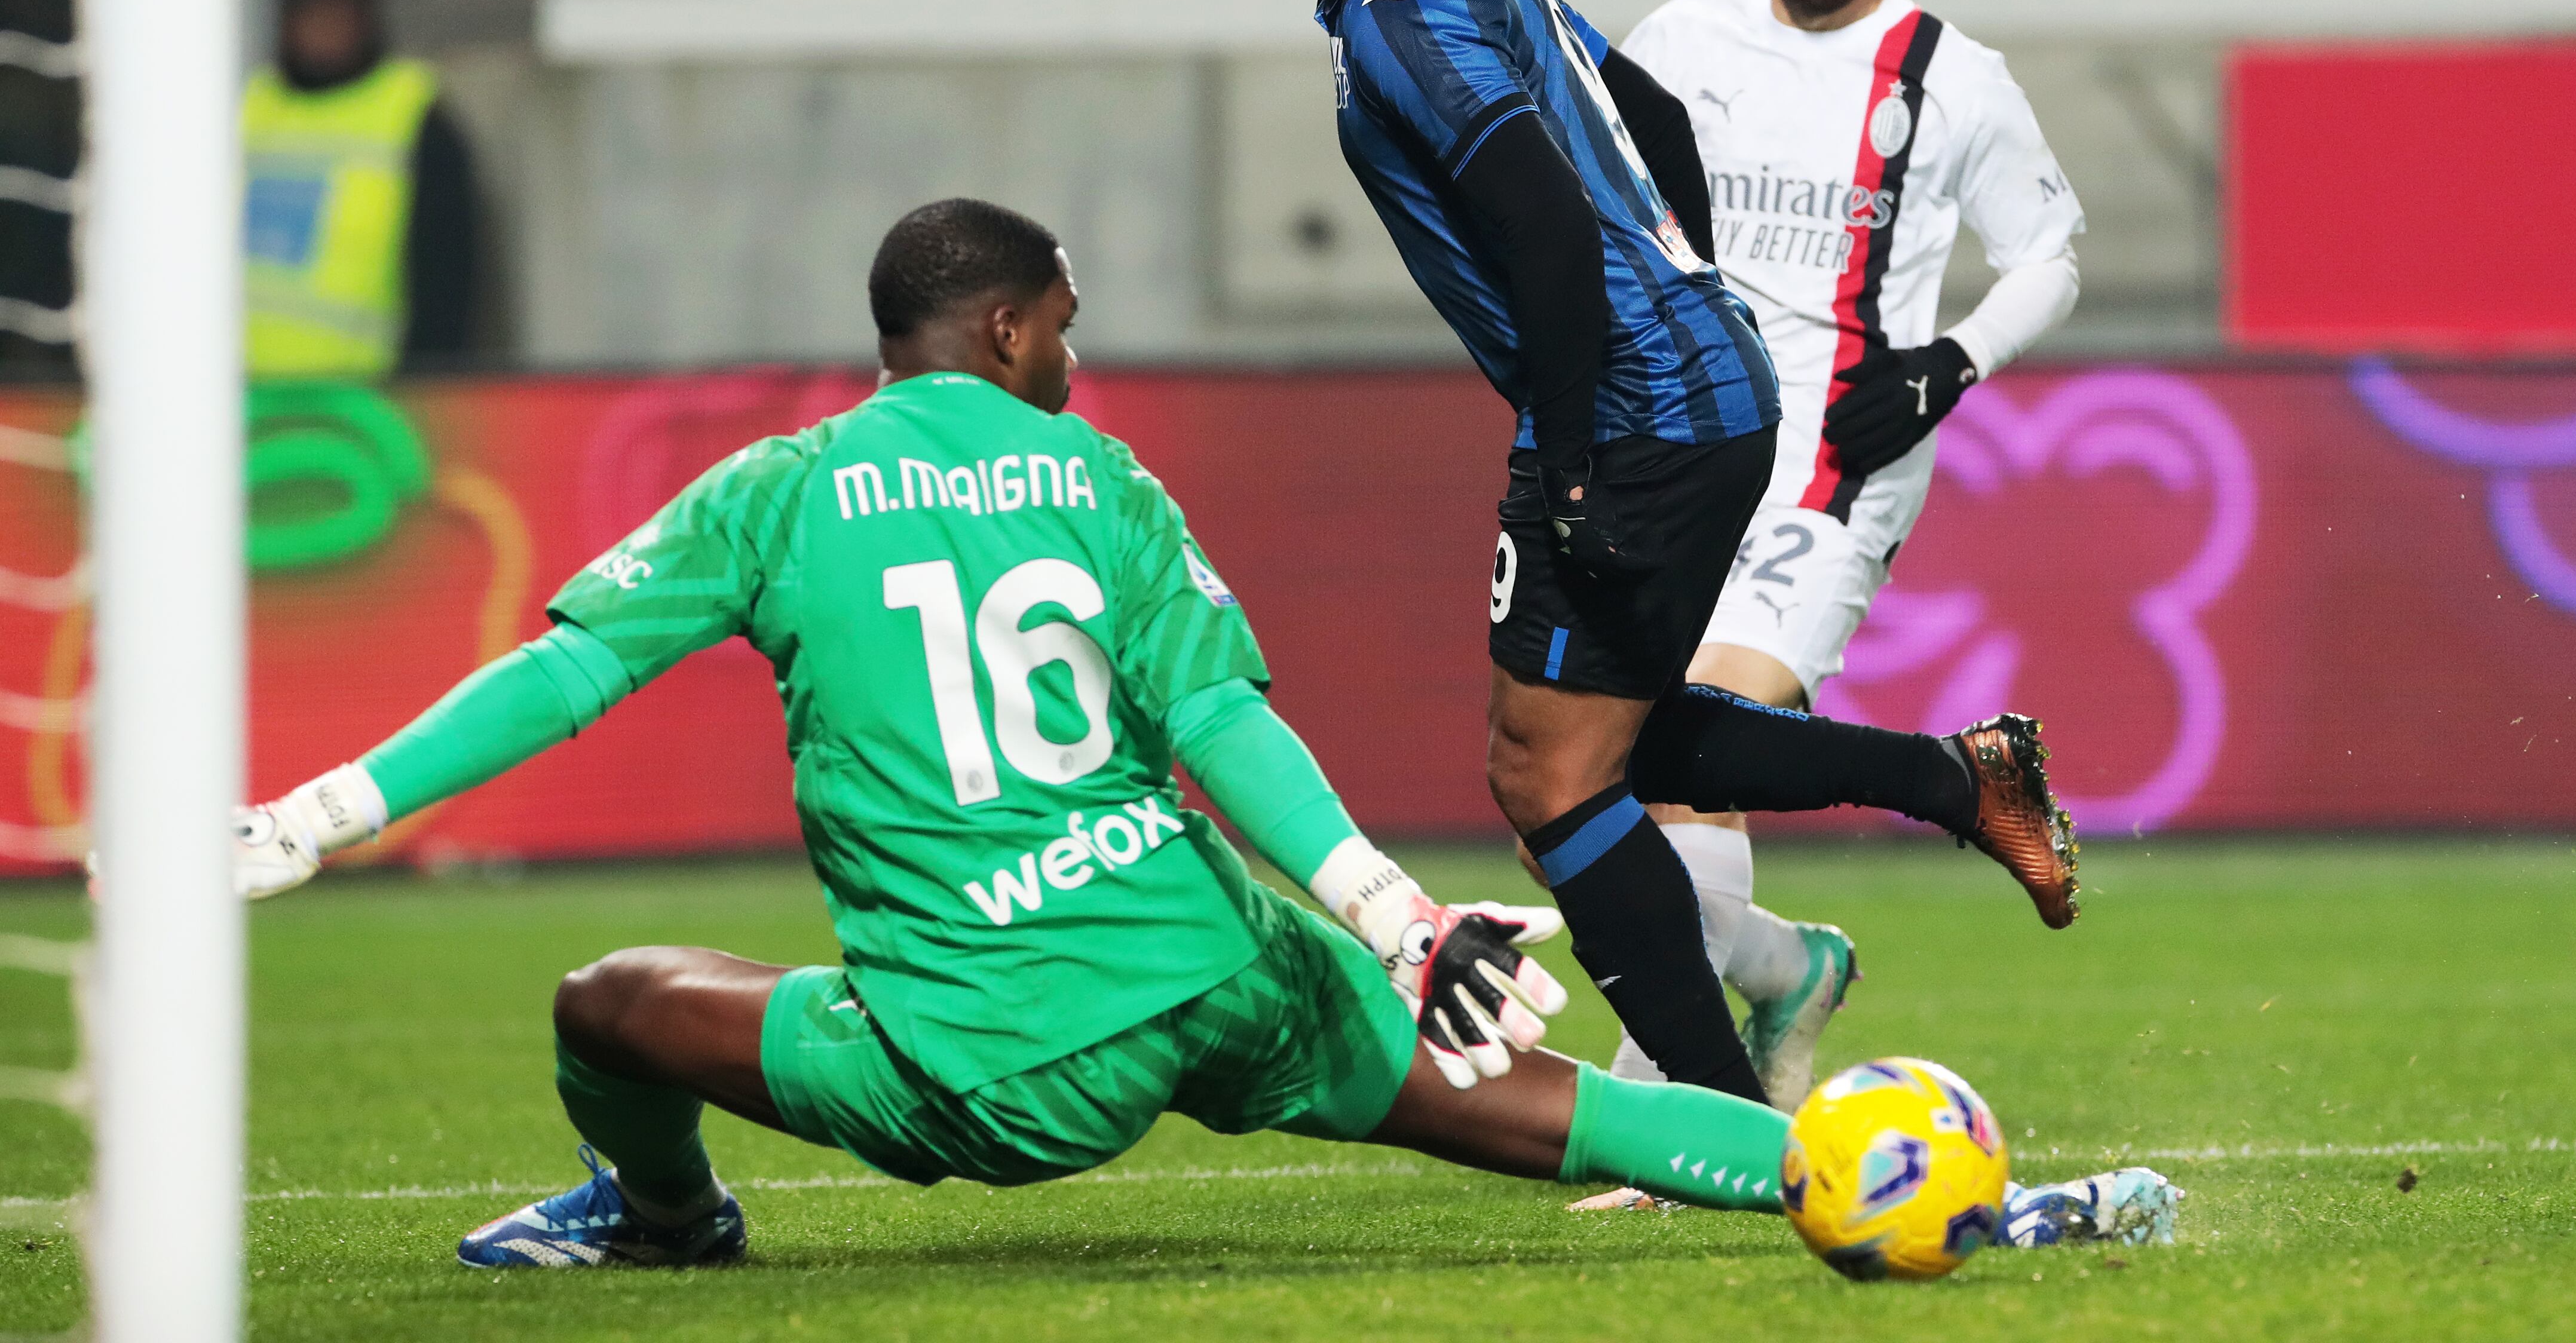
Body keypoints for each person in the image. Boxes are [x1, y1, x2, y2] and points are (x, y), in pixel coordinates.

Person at [227, 198, 1832, 1265]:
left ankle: (665, 1220)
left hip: (991, 1066)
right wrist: (1397, 918)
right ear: (1003, 332)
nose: (1072, 351)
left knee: (612, 1003)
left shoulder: (778, 492)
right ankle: (1856, 1174)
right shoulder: (1104, 480)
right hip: (1217, 974)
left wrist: (320, 813)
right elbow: (1218, 717)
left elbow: (561, 677)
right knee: (1543, 1103)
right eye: (1061, 323)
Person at [1183, 0, 2081, 1115]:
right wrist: (1693, 293)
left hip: (1635, 412)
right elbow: (1650, 109)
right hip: (1688, 384)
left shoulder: (1392, 1)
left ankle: (1717, 1132)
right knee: (1613, 742)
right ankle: (1957, 782)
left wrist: (1573, 449)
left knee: (1542, 773)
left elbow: (1540, 221)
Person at [1570, 0, 2088, 1187]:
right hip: (1679, 452)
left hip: (1836, 466)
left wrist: (1948, 362)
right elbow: (1601, 214)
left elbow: (2050, 249)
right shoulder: (1676, 42)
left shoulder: (1951, 75)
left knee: (1706, 727)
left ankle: (1684, 1128)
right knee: (1623, 777)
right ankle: (1787, 967)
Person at [242, 0, 482, 378]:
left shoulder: (410, 111)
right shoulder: (253, 108)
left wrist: (429, 379)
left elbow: (447, 270)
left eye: (338, 13)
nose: (324, 30)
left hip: (364, 396)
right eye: (311, 14)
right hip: (244, 394)